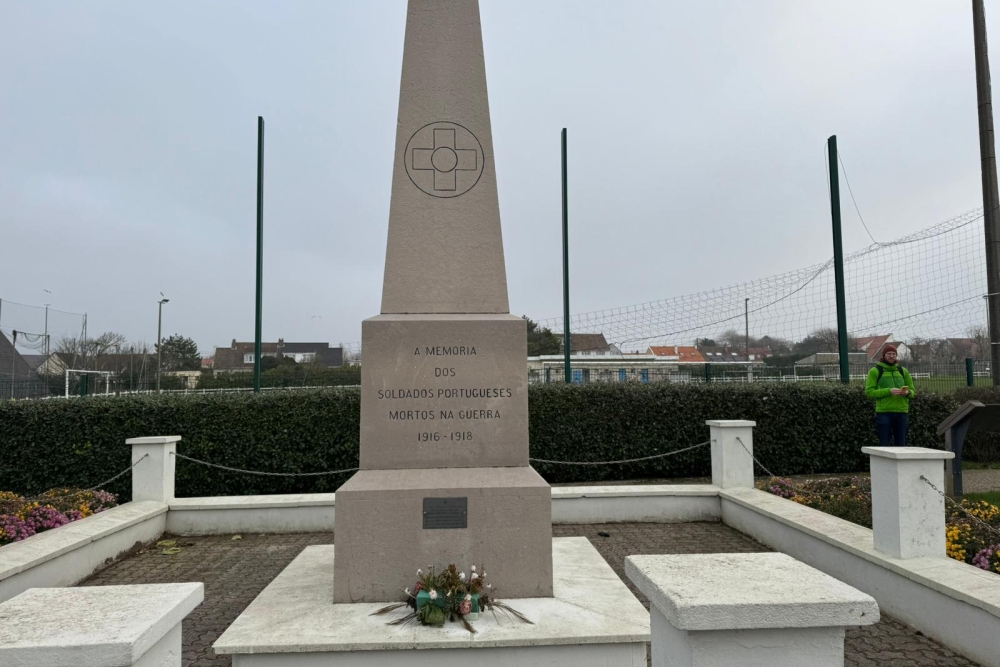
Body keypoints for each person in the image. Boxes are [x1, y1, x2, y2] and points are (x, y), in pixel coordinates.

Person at [864, 344, 915, 446]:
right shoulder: (875, 371)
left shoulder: (903, 371)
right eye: (889, 354)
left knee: (901, 445)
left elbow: (912, 391)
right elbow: (869, 392)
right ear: (884, 355)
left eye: (893, 354)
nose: (891, 356)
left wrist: (907, 392)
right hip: (884, 413)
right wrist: (889, 391)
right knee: (884, 444)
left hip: (901, 412)